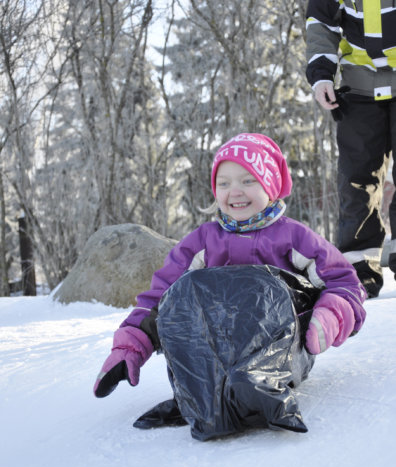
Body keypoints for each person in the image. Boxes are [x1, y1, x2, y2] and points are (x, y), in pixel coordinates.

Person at [93, 133, 367, 435]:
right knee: (186, 291)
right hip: (213, 355)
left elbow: (344, 284)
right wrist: (131, 346)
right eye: (224, 183)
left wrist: (328, 318)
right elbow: (160, 296)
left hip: (283, 353)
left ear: (271, 185)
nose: (234, 191)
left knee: (264, 289)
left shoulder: (294, 237)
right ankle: (201, 391)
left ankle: (256, 384)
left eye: (248, 180)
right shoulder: (203, 241)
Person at [305, 0, 396, 298]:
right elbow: (322, 27)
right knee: (356, 182)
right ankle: (359, 272)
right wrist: (321, 77)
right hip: (358, 91)